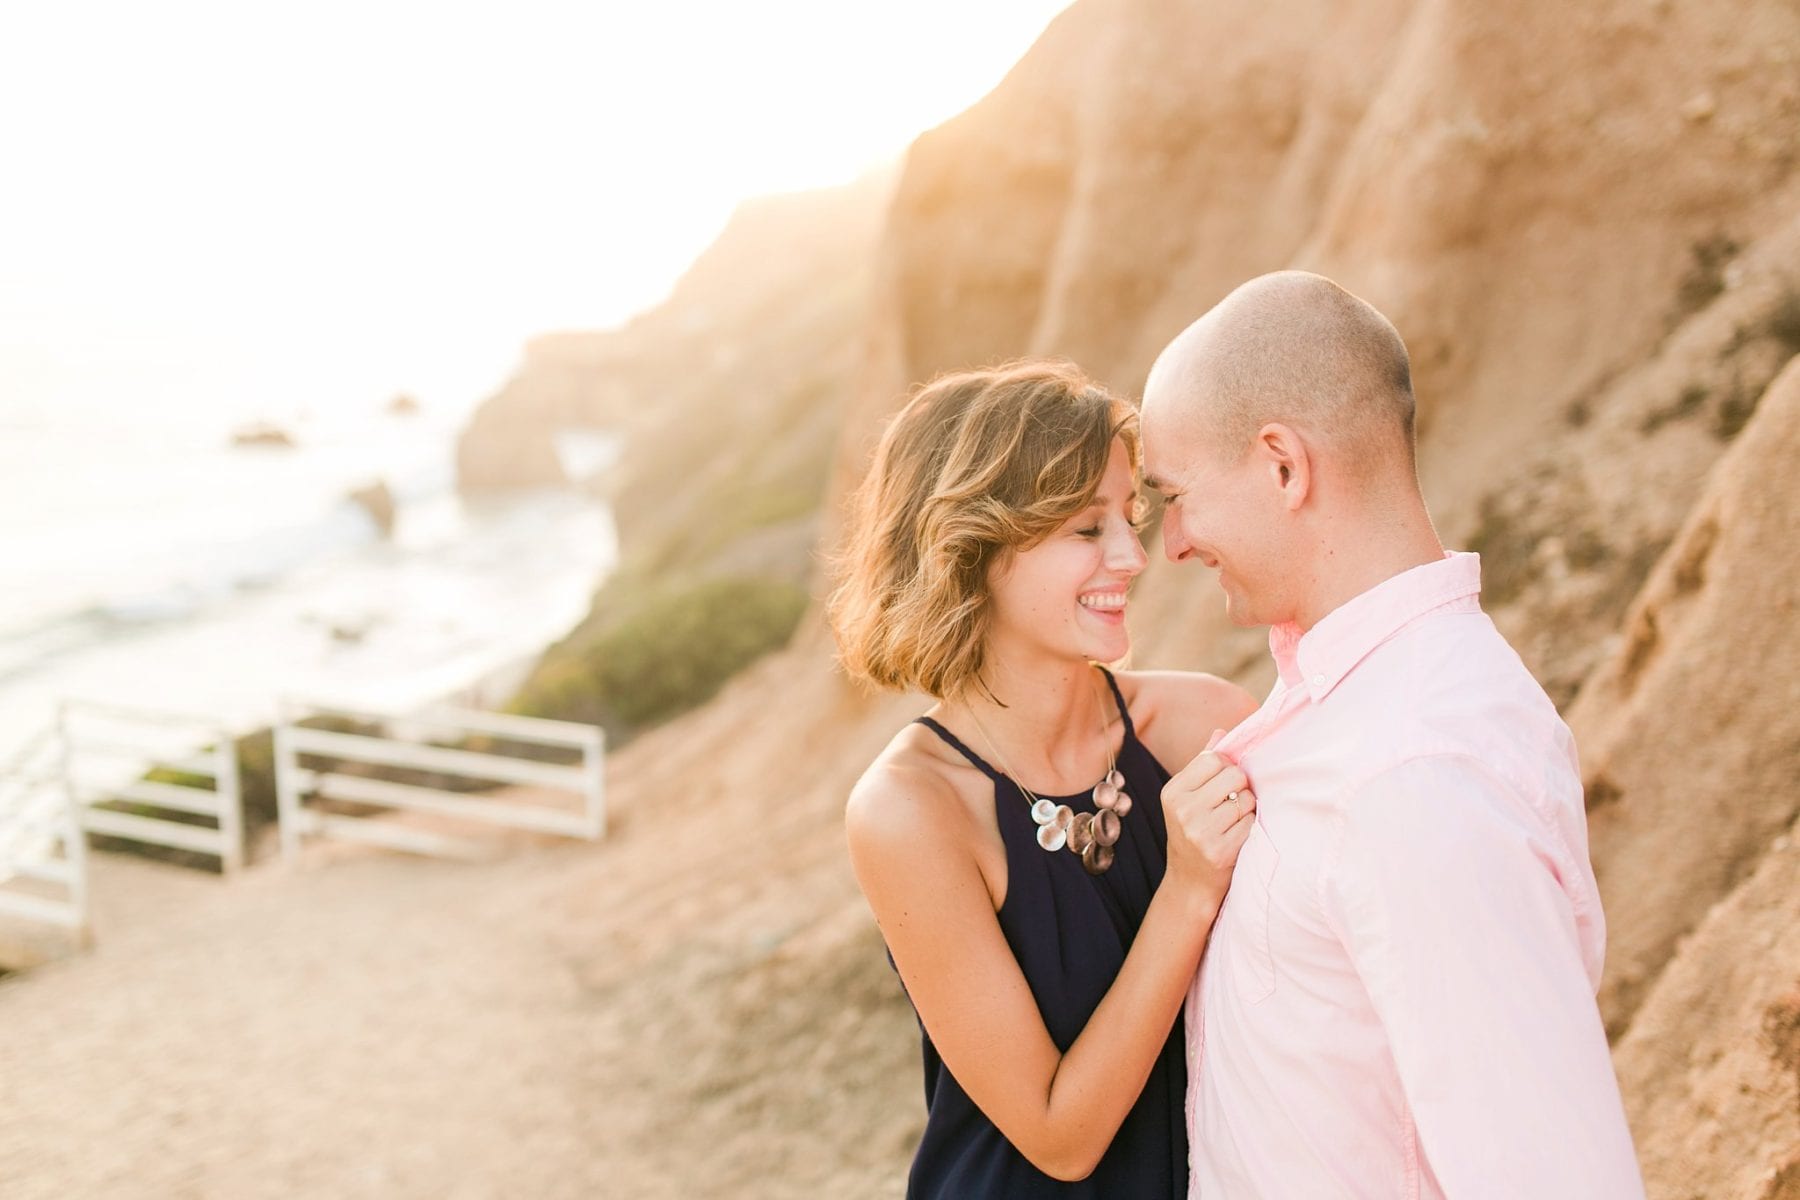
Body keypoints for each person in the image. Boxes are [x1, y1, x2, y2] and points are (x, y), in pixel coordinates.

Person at [1140, 270, 1646, 1198]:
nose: (1170, 543)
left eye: (1177, 496)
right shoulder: (1356, 708)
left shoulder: (1415, 772)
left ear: (1282, 466)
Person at [831, 360, 1259, 1197]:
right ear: (976, 548)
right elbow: (1060, 1137)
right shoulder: (913, 811)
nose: (1134, 556)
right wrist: (1186, 890)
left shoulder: (1203, 726)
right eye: (1085, 528)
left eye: (1128, 517)